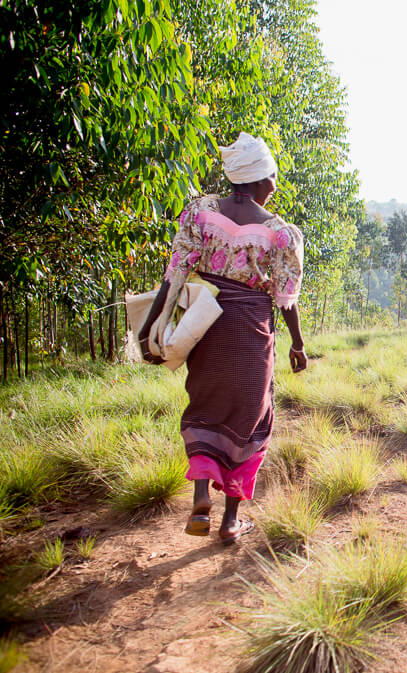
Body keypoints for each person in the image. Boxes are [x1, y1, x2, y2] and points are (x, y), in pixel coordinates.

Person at [138, 132, 307, 544]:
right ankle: (231, 521)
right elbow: (285, 298)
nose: (275, 186)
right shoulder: (281, 233)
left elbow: (175, 275)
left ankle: (200, 499)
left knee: (206, 405)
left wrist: (149, 328)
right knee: (252, 419)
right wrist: (298, 344)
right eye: (273, 178)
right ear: (257, 179)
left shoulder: (200, 212)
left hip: (206, 326)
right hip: (250, 333)